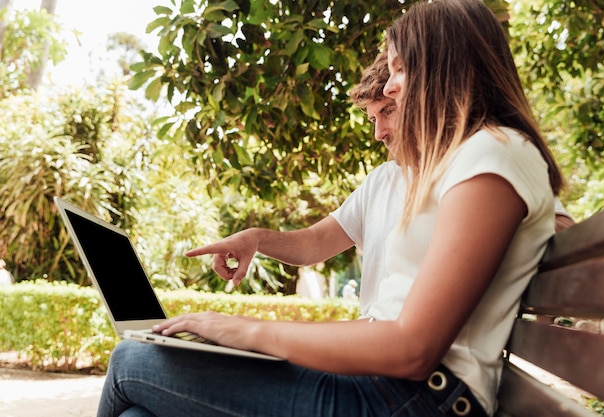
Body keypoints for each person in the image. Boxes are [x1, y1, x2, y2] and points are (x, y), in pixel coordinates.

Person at [98, 1, 566, 416]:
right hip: (392, 388)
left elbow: (413, 348)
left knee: (130, 362)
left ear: (443, 67)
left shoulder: (493, 156)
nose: (393, 87)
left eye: (401, 70)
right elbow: (348, 272)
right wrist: (256, 253)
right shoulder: (462, 160)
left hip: (415, 397)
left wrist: (247, 331)